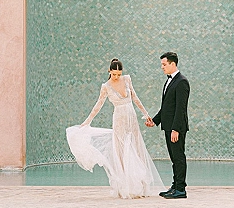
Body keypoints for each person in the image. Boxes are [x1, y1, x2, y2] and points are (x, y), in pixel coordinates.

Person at [66, 59, 162, 198]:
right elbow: (98, 105)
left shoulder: (127, 79)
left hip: (132, 117)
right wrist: (87, 121)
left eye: (119, 74)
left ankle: (140, 185)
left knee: (136, 147)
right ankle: (125, 186)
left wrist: (146, 114)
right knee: (122, 150)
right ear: (109, 72)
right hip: (119, 119)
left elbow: (135, 97)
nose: (116, 76)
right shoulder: (106, 86)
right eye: (114, 74)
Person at [146, 52, 190, 199]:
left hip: (175, 128)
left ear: (173, 64)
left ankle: (181, 190)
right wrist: (155, 120)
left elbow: (180, 108)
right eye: (162, 65)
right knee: (173, 158)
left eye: (164, 64)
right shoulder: (170, 81)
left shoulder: (182, 81)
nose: (162, 67)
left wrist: (175, 129)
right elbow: (166, 107)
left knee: (178, 157)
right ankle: (175, 186)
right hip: (168, 126)